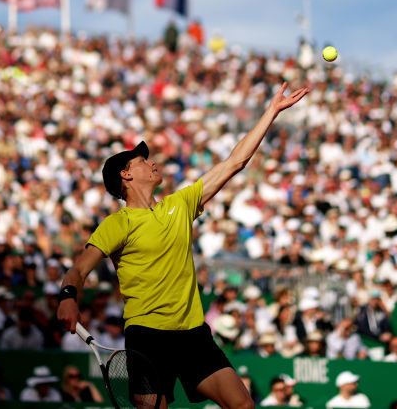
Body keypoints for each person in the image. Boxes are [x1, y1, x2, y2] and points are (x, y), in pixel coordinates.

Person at [57, 83, 310, 409]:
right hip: (147, 335)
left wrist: (271, 112)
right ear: (126, 174)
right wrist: (68, 297)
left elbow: (235, 162)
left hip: (193, 333)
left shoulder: (180, 204)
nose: (151, 162)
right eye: (141, 160)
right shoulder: (117, 224)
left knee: (244, 405)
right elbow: (78, 268)